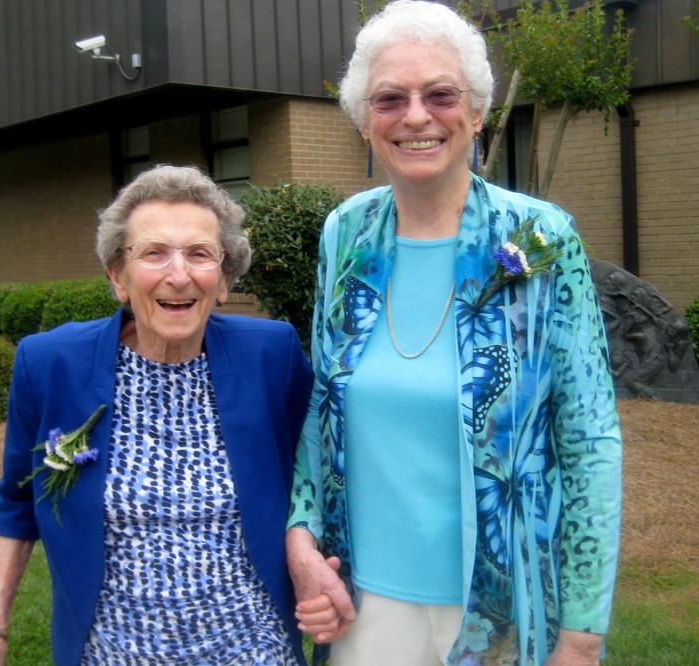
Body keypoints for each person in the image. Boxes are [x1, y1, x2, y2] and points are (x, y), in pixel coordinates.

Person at [285, 2, 623, 665]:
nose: (416, 116)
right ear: (364, 121)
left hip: (502, 601)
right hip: (365, 604)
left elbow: (590, 438)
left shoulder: (541, 240)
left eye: (440, 95)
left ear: (476, 114)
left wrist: (582, 634)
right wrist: (301, 534)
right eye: (390, 99)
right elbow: (323, 403)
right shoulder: (346, 235)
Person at [0, 164, 313, 665]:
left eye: (200, 254)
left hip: (254, 648)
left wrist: (314, 562)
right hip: (112, 652)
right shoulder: (51, 363)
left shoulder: (272, 355)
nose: (179, 274)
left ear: (224, 279)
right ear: (118, 276)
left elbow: (311, 479)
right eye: (154, 253)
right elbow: (17, 501)